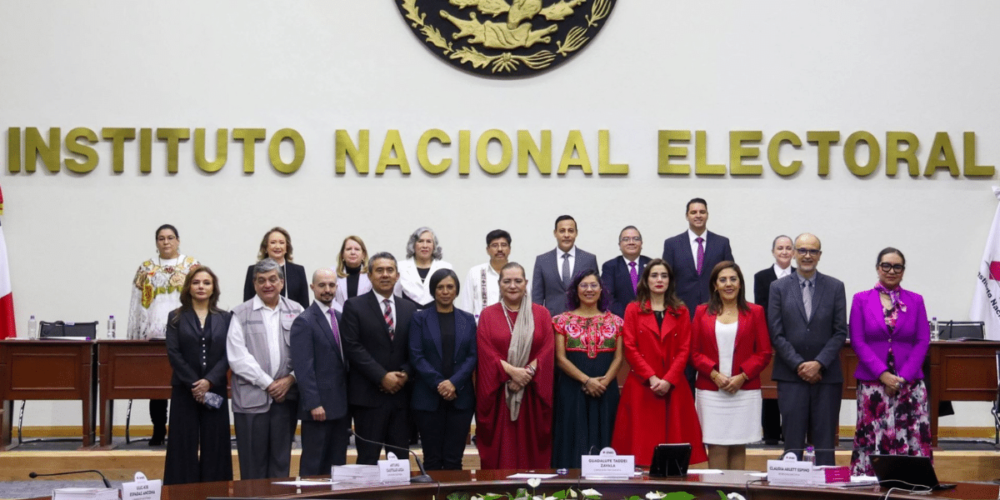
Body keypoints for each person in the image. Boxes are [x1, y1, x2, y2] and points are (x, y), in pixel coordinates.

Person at [612, 259, 707, 466]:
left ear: (670, 281)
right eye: (654, 275)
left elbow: (684, 349)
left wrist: (668, 379)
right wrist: (652, 377)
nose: (659, 280)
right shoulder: (632, 309)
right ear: (646, 280)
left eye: (664, 276)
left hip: (673, 386)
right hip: (643, 385)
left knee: (676, 448)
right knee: (641, 446)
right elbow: (629, 346)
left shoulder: (681, 310)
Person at [849, 248, 932, 476]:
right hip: (873, 383)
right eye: (886, 265)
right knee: (873, 433)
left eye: (897, 267)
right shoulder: (861, 300)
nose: (891, 271)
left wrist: (902, 377)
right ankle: (870, 482)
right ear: (878, 268)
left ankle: (913, 483)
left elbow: (923, 340)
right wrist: (883, 374)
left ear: (903, 271)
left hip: (910, 383)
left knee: (912, 433)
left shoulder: (915, 300)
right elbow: (857, 341)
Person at [767, 233, 847, 466]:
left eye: (813, 251)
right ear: (793, 253)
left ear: (819, 255)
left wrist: (819, 363)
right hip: (791, 376)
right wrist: (800, 365)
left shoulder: (835, 286)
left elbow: (840, 331)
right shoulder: (778, 287)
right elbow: (776, 332)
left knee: (824, 444)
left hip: (827, 376)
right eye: (802, 250)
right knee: (792, 444)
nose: (807, 255)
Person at [691, 261, 772, 470]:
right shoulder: (701, 312)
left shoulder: (755, 312)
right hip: (711, 391)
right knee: (716, 445)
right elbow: (694, 352)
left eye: (733, 279)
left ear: (740, 284)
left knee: (738, 444)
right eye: (723, 280)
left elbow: (764, 352)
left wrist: (742, 376)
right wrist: (715, 375)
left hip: (744, 390)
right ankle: (719, 494)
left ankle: (736, 494)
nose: (729, 284)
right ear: (715, 285)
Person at [227, 258, 303, 480]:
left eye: (272, 279)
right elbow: (237, 357)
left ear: (282, 282)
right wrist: (269, 384)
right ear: (254, 284)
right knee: (252, 464)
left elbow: (307, 352)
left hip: (285, 398)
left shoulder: (297, 310)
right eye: (261, 280)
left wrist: (290, 379)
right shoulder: (240, 313)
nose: (267, 284)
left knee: (281, 462)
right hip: (251, 400)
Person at [476, 262, 555, 469]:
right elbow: (485, 351)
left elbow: (547, 349)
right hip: (501, 393)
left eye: (518, 281)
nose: (513, 285)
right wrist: (511, 372)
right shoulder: (488, 315)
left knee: (532, 448)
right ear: (499, 284)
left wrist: (527, 373)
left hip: (532, 393)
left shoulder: (541, 314)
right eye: (507, 281)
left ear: (526, 283)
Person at [127, 224, 200, 446]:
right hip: (155, 334)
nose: (166, 242)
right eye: (161, 238)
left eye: (170, 238)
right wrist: (136, 335)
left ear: (178, 240)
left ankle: (184, 430)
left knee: (186, 381)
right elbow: (137, 304)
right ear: (156, 242)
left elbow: (201, 297)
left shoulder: (192, 266)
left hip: (186, 333)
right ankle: (158, 428)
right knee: (157, 384)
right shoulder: (146, 268)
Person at [341, 252, 417, 464]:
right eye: (380, 270)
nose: (385, 275)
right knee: (367, 459)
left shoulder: (409, 308)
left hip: (401, 398)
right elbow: (352, 347)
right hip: (368, 397)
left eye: (390, 270)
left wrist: (405, 373)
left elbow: (417, 348)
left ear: (397, 275)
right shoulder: (354, 306)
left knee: (400, 460)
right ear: (370, 275)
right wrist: (382, 376)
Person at [162, 266, 233, 485]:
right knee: (182, 443)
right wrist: (196, 384)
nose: (201, 286)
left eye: (206, 282)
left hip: (215, 389)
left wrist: (209, 381)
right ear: (188, 287)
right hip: (185, 390)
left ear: (214, 288)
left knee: (216, 444)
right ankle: (181, 492)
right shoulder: (175, 317)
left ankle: (216, 491)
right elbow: (174, 353)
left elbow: (229, 353)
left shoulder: (226, 317)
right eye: (196, 282)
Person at [551, 269, 624, 469]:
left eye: (594, 285)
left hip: (605, 390)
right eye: (583, 285)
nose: (589, 290)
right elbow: (559, 358)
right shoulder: (560, 321)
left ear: (602, 290)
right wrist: (587, 380)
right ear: (575, 291)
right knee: (573, 435)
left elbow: (619, 357)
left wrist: (604, 382)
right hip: (571, 389)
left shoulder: (616, 322)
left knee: (606, 435)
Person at [409, 269, 478, 470]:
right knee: (431, 459)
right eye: (440, 287)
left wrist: (453, 383)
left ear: (456, 290)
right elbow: (416, 355)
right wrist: (440, 383)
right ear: (433, 290)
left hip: (461, 399)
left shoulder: (467, 319)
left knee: (454, 459)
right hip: (428, 399)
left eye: (450, 287)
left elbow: (472, 356)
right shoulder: (419, 319)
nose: (445, 291)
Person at [290, 269, 350, 476]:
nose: (327, 290)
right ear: (312, 287)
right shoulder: (304, 321)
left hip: (341, 407)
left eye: (332, 285)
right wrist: (314, 403)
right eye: (322, 285)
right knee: (314, 464)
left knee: (337, 464)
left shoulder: (341, 318)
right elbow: (303, 368)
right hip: (319, 409)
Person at [661, 198, 734, 319]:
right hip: (681, 309)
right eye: (693, 212)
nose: (698, 215)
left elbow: (730, 276)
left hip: (716, 308)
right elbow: (666, 278)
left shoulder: (722, 243)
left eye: (702, 212)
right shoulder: (672, 244)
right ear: (687, 216)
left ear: (707, 215)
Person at [753, 235, 794, 445]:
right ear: (773, 252)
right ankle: (770, 435)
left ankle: (791, 434)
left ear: (793, 252)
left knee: (791, 389)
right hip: (770, 339)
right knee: (770, 387)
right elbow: (761, 309)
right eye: (780, 248)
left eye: (788, 248)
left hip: (795, 342)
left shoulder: (800, 275)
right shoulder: (762, 277)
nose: (784, 252)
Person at [532, 215, 599, 317]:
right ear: (555, 233)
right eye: (562, 231)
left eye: (570, 231)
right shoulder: (542, 261)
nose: (566, 235)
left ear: (576, 233)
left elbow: (596, 293)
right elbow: (537, 298)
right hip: (551, 321)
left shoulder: (589, 259)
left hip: (583, 320)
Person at [242, 227, 309, 310]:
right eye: (273, 243)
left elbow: (305, 305)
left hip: (292, 320)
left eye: (281, 243)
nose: (277, 246)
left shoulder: (298, 271)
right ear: (266, 248)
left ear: (287, 248)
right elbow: (247, 302)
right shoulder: (253, 270)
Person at [459, 229, 511, 323]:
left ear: (509, 249)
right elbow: (466, 307)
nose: (499, 249)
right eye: (495, 245)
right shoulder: (475, 273)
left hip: (512, 331)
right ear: (487, 250)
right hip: (481, 330)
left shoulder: (517, 274)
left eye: (503, 245)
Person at [395, 227, 453, 309]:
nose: (425, 246)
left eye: (429, 241)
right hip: (408, 316)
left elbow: (450, 296)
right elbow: (395, 295)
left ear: (434, 246)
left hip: (436, 316)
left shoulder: (445, 267)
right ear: (413, 245)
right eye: (420, 241)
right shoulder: (400, 267)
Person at [601, 225, 651, 319]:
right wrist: (628, 316)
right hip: (621, 319)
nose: (631, 242)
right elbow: (608, 297)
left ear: (641, 243)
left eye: (635, 239)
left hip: (649, 318)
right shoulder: (610, 267)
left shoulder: (651, 265)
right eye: (626, 239)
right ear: (619, 245)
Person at [333, 235, 372, 313]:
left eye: (357, 249)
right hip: (339, 318)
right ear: (342, 254)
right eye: (348, 249)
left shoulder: (371, 275)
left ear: (363, 254)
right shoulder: (332, 273)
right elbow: (330, 299)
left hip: (364, 319)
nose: (353, 252)